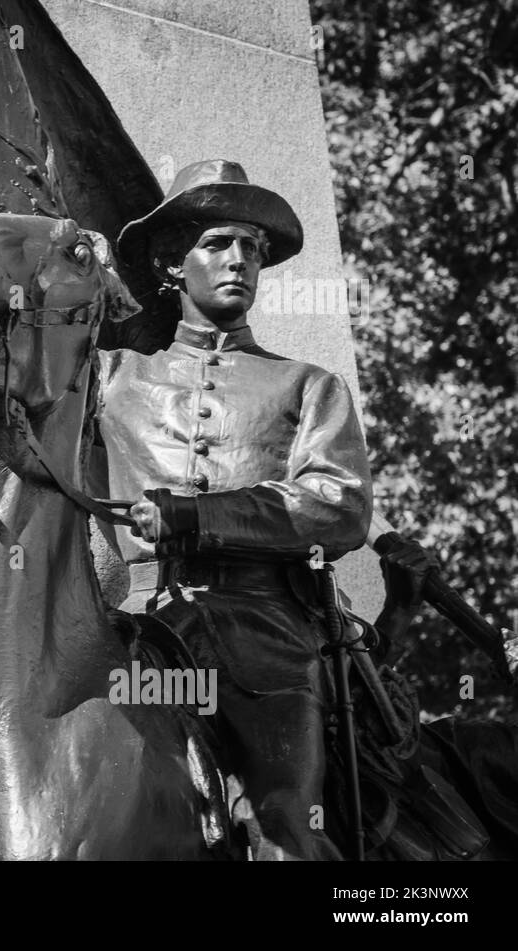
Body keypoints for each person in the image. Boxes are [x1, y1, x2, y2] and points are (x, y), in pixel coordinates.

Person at [90, 160, 375, 859]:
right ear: (169, 264)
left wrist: (198, 516)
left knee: (285, 828)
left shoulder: (307, 384)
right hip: (140, 631)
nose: (240, 259)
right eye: (219, 243)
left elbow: (339, 506)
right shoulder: (111, 378)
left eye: (251, 247)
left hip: (266, 640)